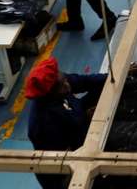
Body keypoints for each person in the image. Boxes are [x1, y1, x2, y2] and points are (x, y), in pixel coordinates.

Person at [25, 58, 107, 189]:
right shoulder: (44, 122)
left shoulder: (58, 82)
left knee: (102, 87)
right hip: (63, 170)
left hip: (74, 121)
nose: (67, 84)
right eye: (63, 85)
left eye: (65, 79)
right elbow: (76, 142)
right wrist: (87, 118)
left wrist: (108, 77)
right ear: (51, 94)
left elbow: (82, 81)